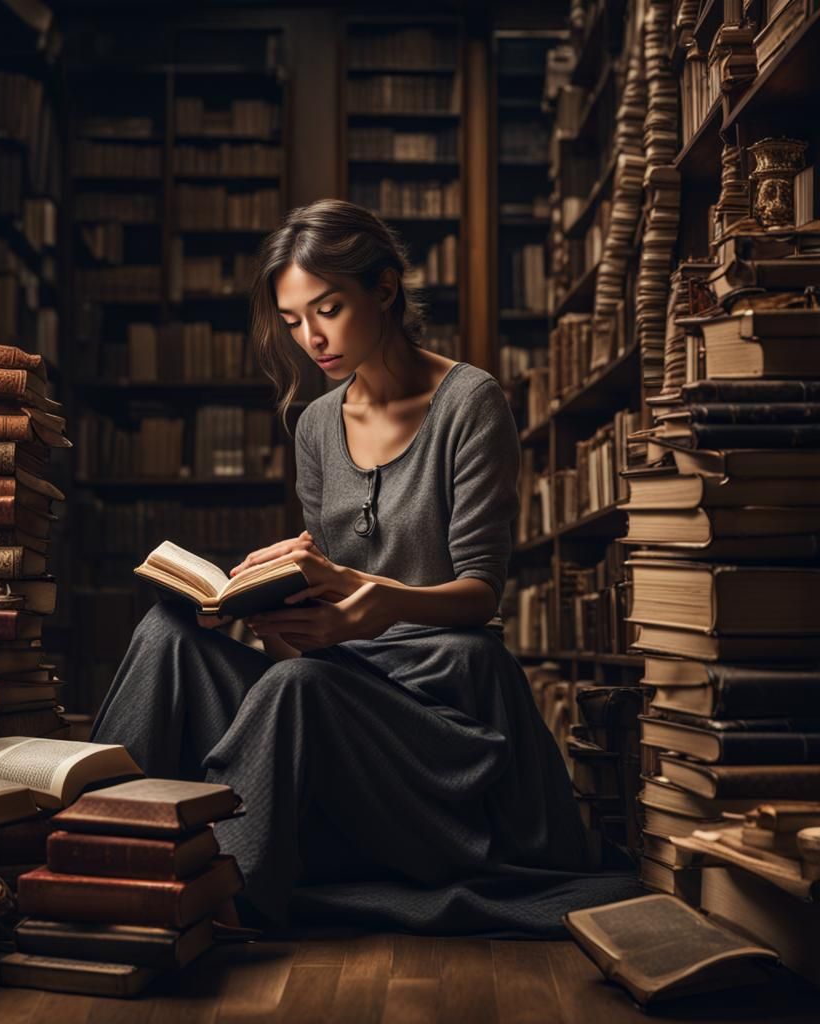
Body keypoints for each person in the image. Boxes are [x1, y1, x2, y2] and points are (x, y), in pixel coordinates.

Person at [91, 198, 638, 935]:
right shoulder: (316, 423)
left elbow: (481, 593)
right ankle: (86, 854)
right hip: (337, 682)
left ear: (384, 289)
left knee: (300, 686)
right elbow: (321, 620)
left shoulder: (470, 402)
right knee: (168, 635)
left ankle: (220, 890)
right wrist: (268, 609)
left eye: (329, 309)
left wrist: (379, 600)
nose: (311, 338)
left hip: (445, 708)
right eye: (292, 321)